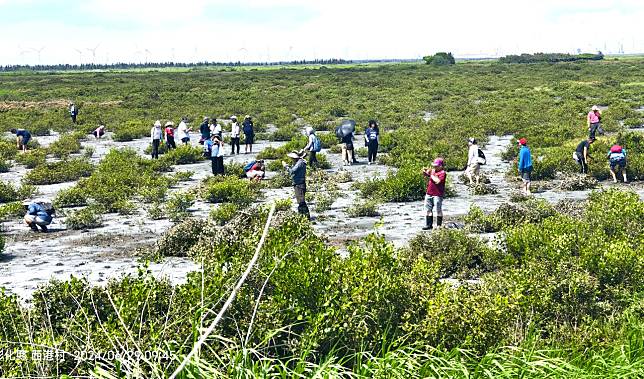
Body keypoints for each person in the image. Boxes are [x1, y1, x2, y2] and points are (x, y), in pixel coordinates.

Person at [282, 151, 310, 219]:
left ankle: (305, 217)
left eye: (292, 158)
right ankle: (303, 216)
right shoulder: (299, 162)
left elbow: (292, 171)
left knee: (301, 202)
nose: (291, 159)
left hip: (299, 185)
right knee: (300, 201)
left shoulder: (300, 162)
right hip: (299, 184)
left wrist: (286, 166)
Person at [422, 158, 447, 230]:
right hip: (429, 193)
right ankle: (429, 225)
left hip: (437, 194)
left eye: (436, 166)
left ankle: (439, 225)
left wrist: (430, 174)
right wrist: (425, 172)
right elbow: (427, 175)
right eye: (434, 166)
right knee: (428, 209)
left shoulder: (443, 173)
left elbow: (437, 181)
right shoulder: (433, 171)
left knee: (438, 210)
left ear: (441, 166)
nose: (435, 167)